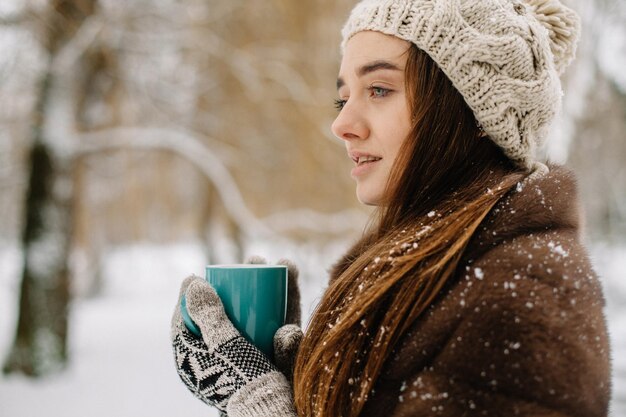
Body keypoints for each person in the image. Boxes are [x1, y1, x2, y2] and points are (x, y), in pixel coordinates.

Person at [170, 0, 612, 416]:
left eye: (379, 89)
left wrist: (262, 407)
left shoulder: (521, 295)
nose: (341, 124)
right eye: (344, 98)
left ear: (475, 114)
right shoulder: (429, 269)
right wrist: (301, 387)